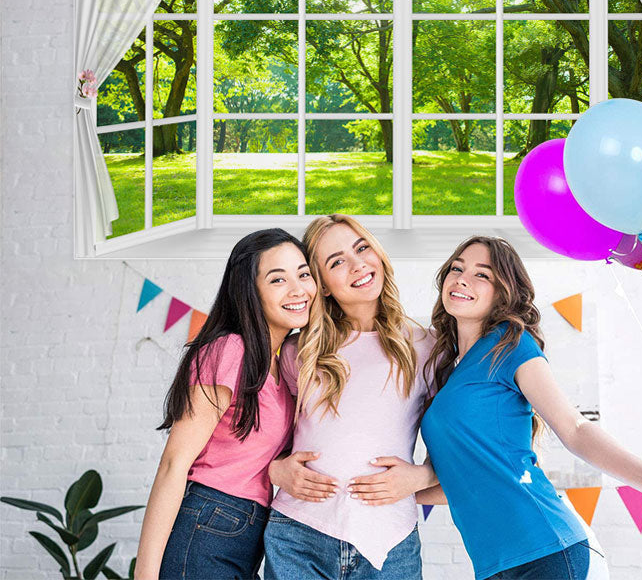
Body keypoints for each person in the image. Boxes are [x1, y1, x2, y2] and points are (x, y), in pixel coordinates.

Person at [418, 236, 642, 580]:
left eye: (482, 275)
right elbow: (467, 482)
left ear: (503, 292)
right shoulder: (450, 372)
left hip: (548, 553)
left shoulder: (510, 345)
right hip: (496, 566)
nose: (462, 279)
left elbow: (573, 428)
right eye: (457, 268)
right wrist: (376, 494)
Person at [134, 229, 316, 580]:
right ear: (250, 291)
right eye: (278, 279)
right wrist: (145, 575)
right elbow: (174, 464)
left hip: (249, 532)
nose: (298, 290)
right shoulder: (231, 349)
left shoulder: (285, 365)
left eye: (303, 274)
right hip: (209, 523)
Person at [264, 214, 438, 580]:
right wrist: (276, 469)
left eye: (362, 248)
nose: (358, 264)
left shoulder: (426, 347)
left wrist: (421, 476)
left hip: (390, 539)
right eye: (337, 261)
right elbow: (264, 439)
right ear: (322, 285)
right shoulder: (301, 350)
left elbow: (460, 442)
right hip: (299, 533)